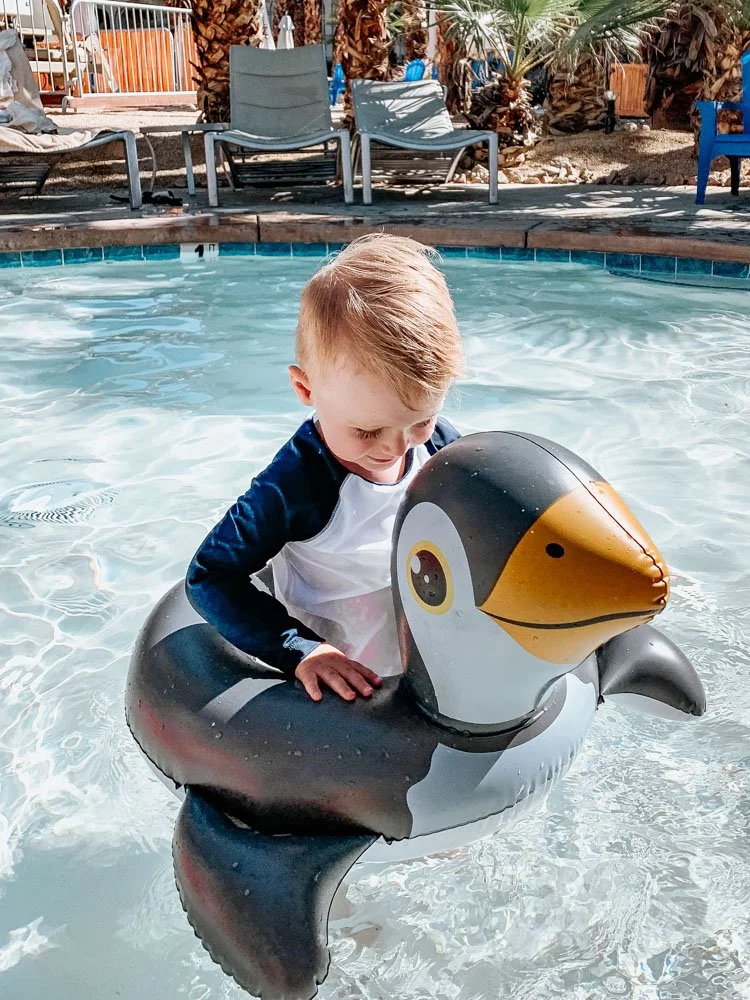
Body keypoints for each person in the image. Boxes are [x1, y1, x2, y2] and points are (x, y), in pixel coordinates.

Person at [186, 234, 465, 703]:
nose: (395, 447)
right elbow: (210, 576)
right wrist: (302, 650)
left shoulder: (438, 446)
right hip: (345, 675)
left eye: (420, 419)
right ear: (305, 389)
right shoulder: (294, 486)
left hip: (424, 650)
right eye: (366, 430)